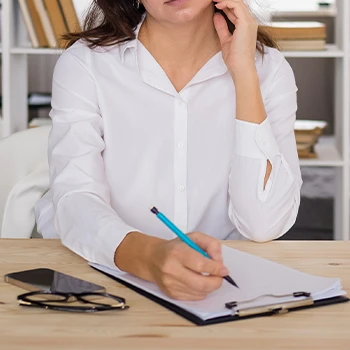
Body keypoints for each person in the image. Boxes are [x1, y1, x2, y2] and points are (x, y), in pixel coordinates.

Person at [35, 0, 302, 301]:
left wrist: (244, 74)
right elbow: (75, 197)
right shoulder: (86, 63)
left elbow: (263, 225)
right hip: (105, 279)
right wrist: (150, 257)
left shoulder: (270, 70)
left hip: (222, 285)